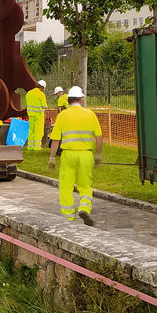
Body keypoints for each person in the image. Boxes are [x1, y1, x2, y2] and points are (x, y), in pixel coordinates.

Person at [47, 86, 102, 226]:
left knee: (66, 187)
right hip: (86, 155)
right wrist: (98, 155)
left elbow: (55, 140)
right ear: (81, 99)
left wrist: (52, 158)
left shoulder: (62, 116)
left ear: (69, 100)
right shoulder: (90, 114)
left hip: (68, 155)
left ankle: (69, 217)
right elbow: (99, 137)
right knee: (85, 186)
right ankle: (84, 208)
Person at [25, 79, 47, 151]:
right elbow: (44, 106)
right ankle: (37, 147)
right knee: (38, 131)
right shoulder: (41, 94)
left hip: (30, 115)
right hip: (39, 115)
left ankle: (30, 146)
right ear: (42, 87)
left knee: (31, 130)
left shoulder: (29, 93)